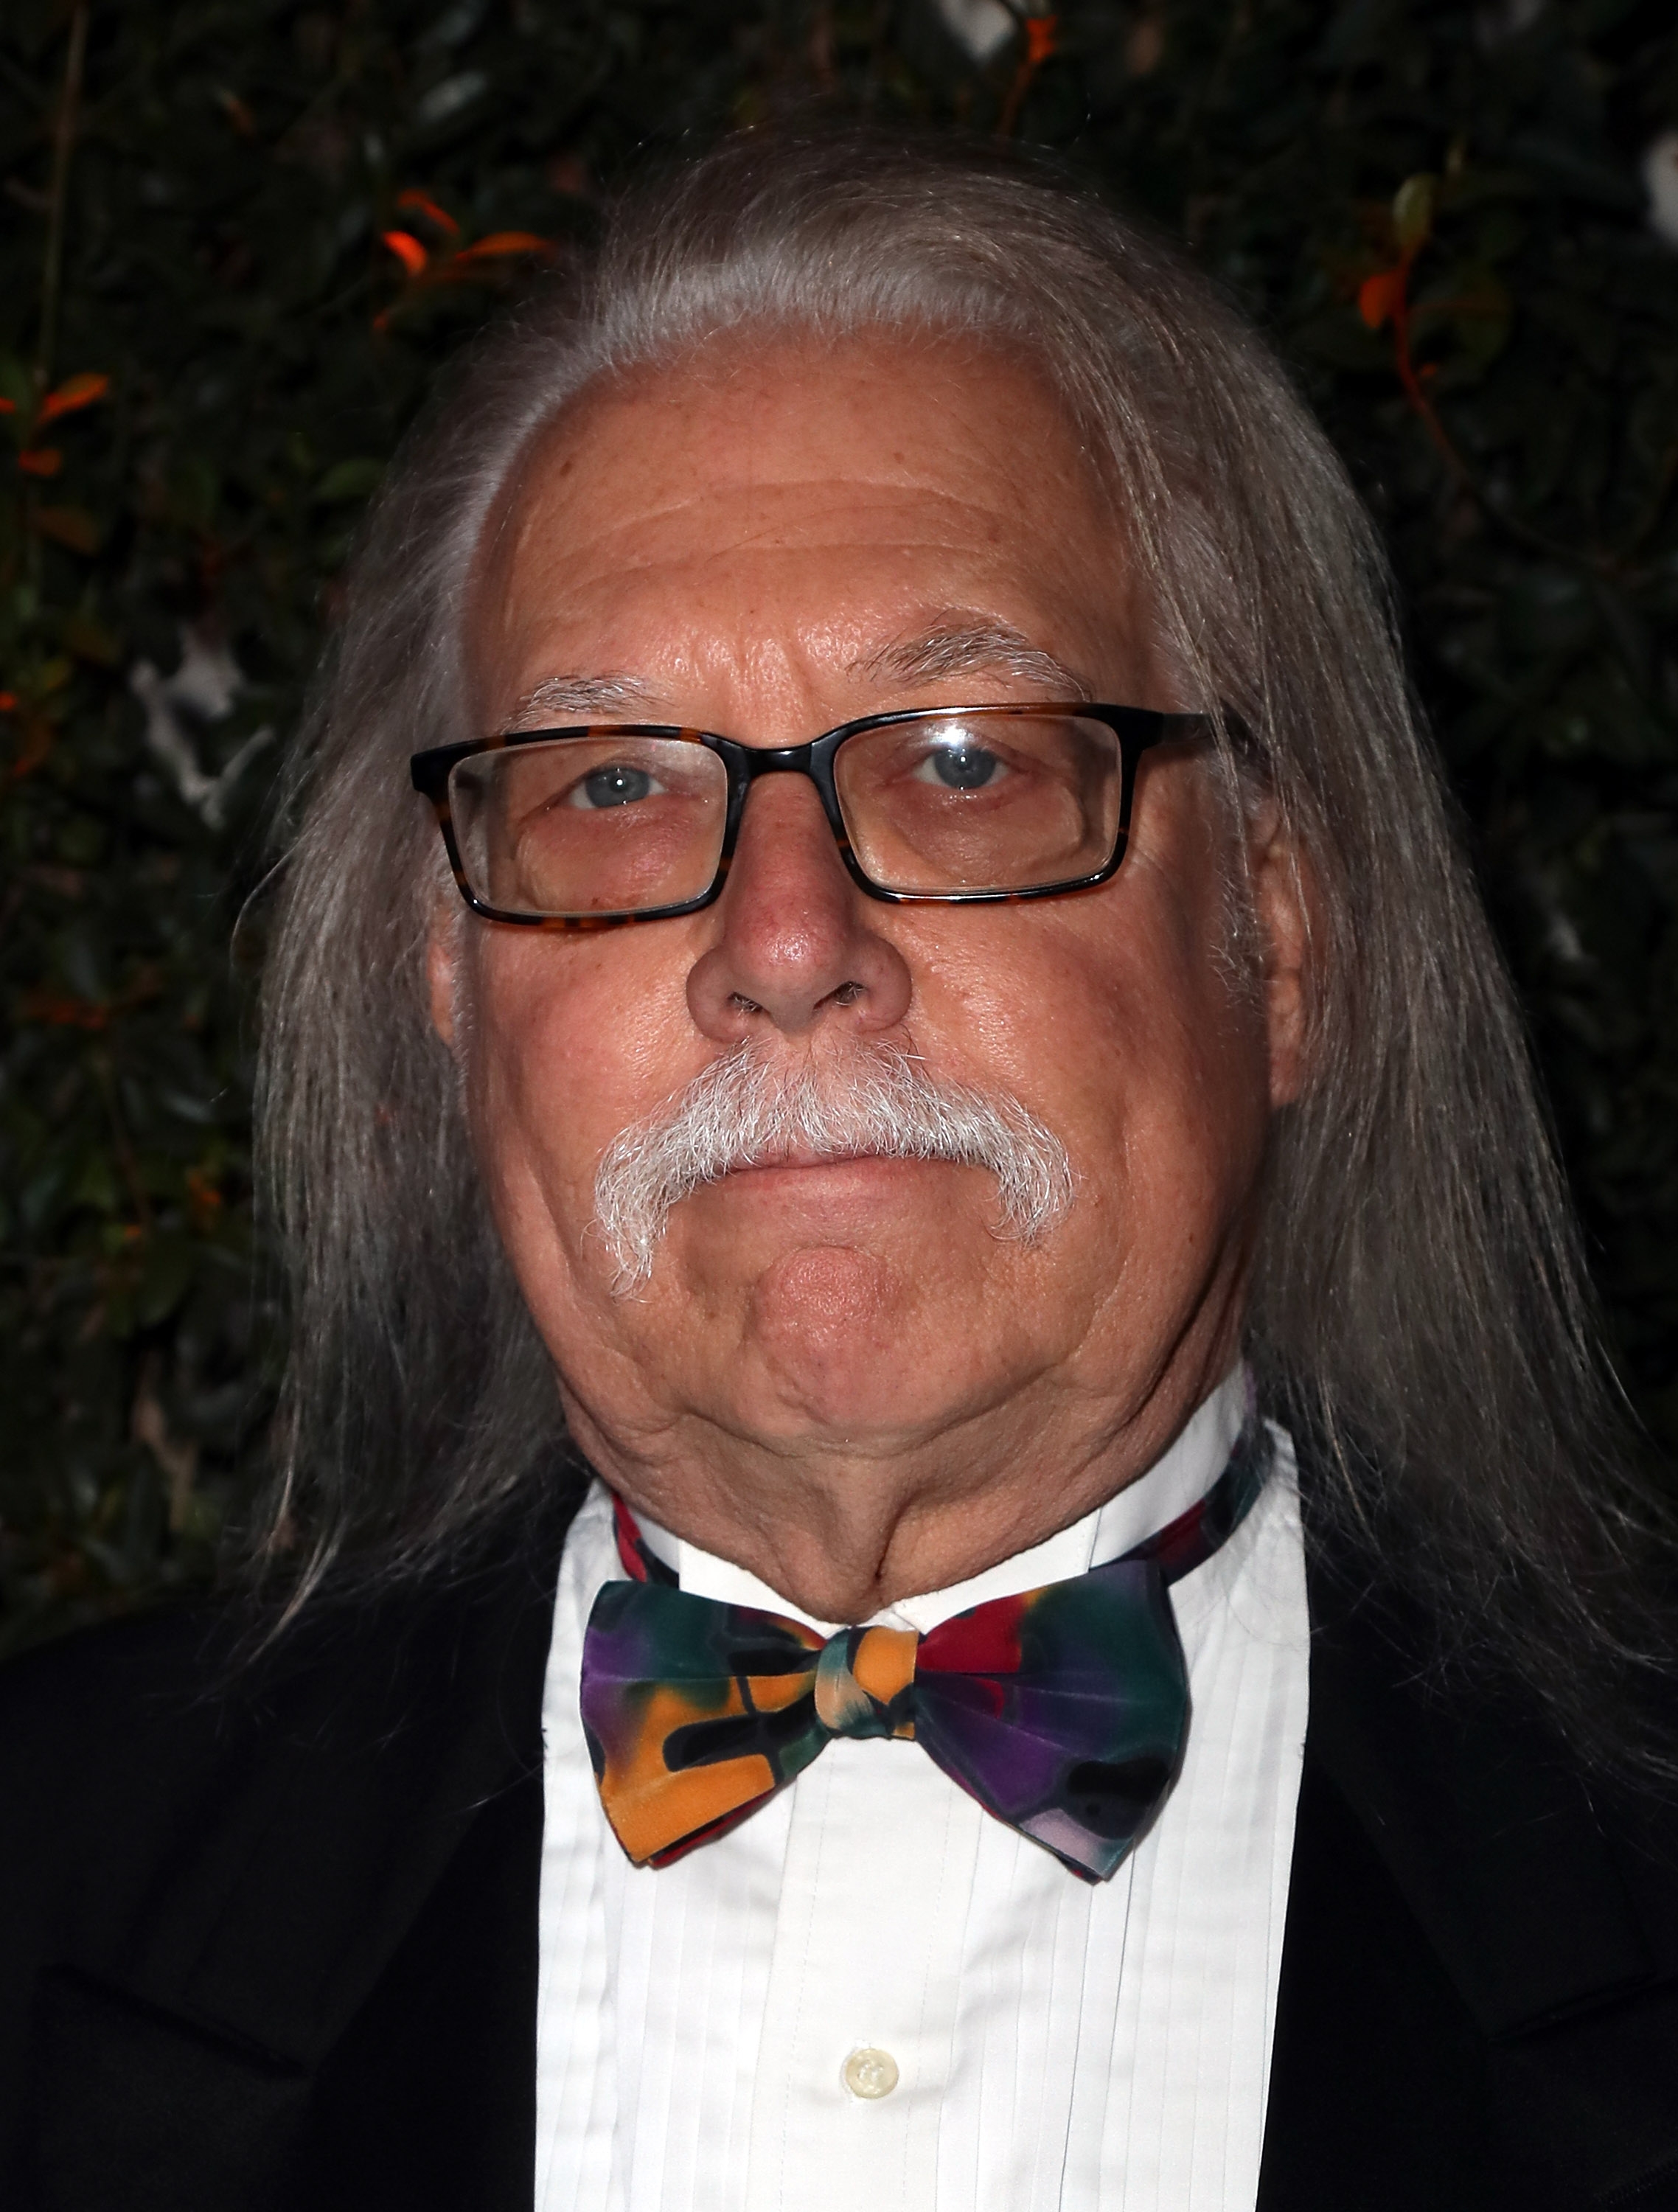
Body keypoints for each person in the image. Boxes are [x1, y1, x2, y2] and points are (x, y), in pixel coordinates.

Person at [3, 128, 1676, 2212]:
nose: (783, 947)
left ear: (1281, 936)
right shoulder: (46, 1886)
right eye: (611, 783)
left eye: (963, 761)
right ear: (448, 990)